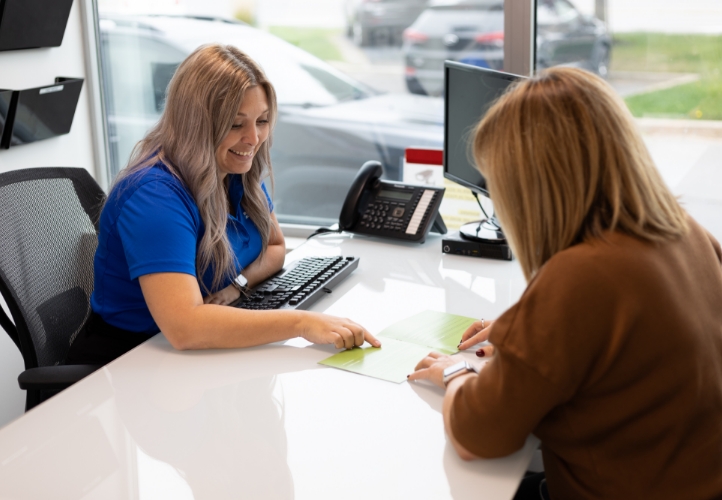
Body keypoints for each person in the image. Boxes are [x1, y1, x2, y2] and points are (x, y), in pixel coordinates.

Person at [409, 67, 722, 499]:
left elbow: (474, 438)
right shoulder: (685, 231)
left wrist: (456, 372)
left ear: (532, 188)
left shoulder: (581, 277)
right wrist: (524, 332)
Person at [66, 44, 380, 365]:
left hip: (197, 350)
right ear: (196, 122)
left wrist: (237, 286)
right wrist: (301, 322)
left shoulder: (234, 169)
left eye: (262, 120)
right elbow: (186, 327)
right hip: (132, 361)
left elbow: (274, 246)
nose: (254, 139)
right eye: (235, 123)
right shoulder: (154, 196)